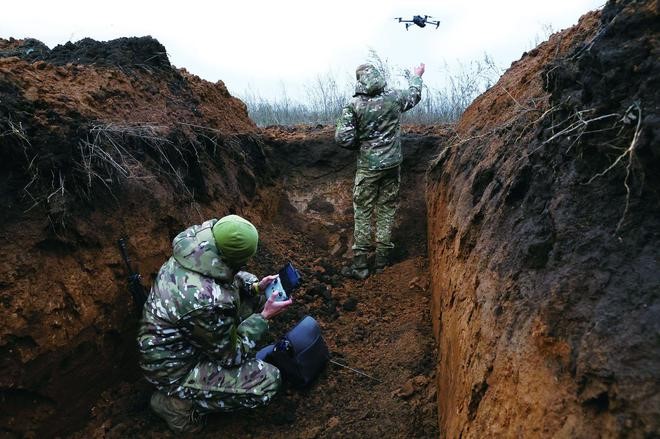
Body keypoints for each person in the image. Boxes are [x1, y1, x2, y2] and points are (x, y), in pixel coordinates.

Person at [137, 214, 292, 433]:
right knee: (267, 382)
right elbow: (231, 356)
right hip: (174, 369)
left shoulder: (197, 245)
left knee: (258, 298)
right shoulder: (206, 301)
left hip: (180, 338)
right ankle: (176, 405)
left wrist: (256, 287)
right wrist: (262, 318)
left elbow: (225, 278)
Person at [335, 62, 425, 279]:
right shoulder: (394, 97)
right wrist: (417, 75)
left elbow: (342, 138)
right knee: (386, 210)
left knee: (363, 212)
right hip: (393, 165)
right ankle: (383, 263)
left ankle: (360, 267)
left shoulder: (354, 105)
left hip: (368, 167)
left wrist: (363, 144)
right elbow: (414, 95)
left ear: (360, 80)